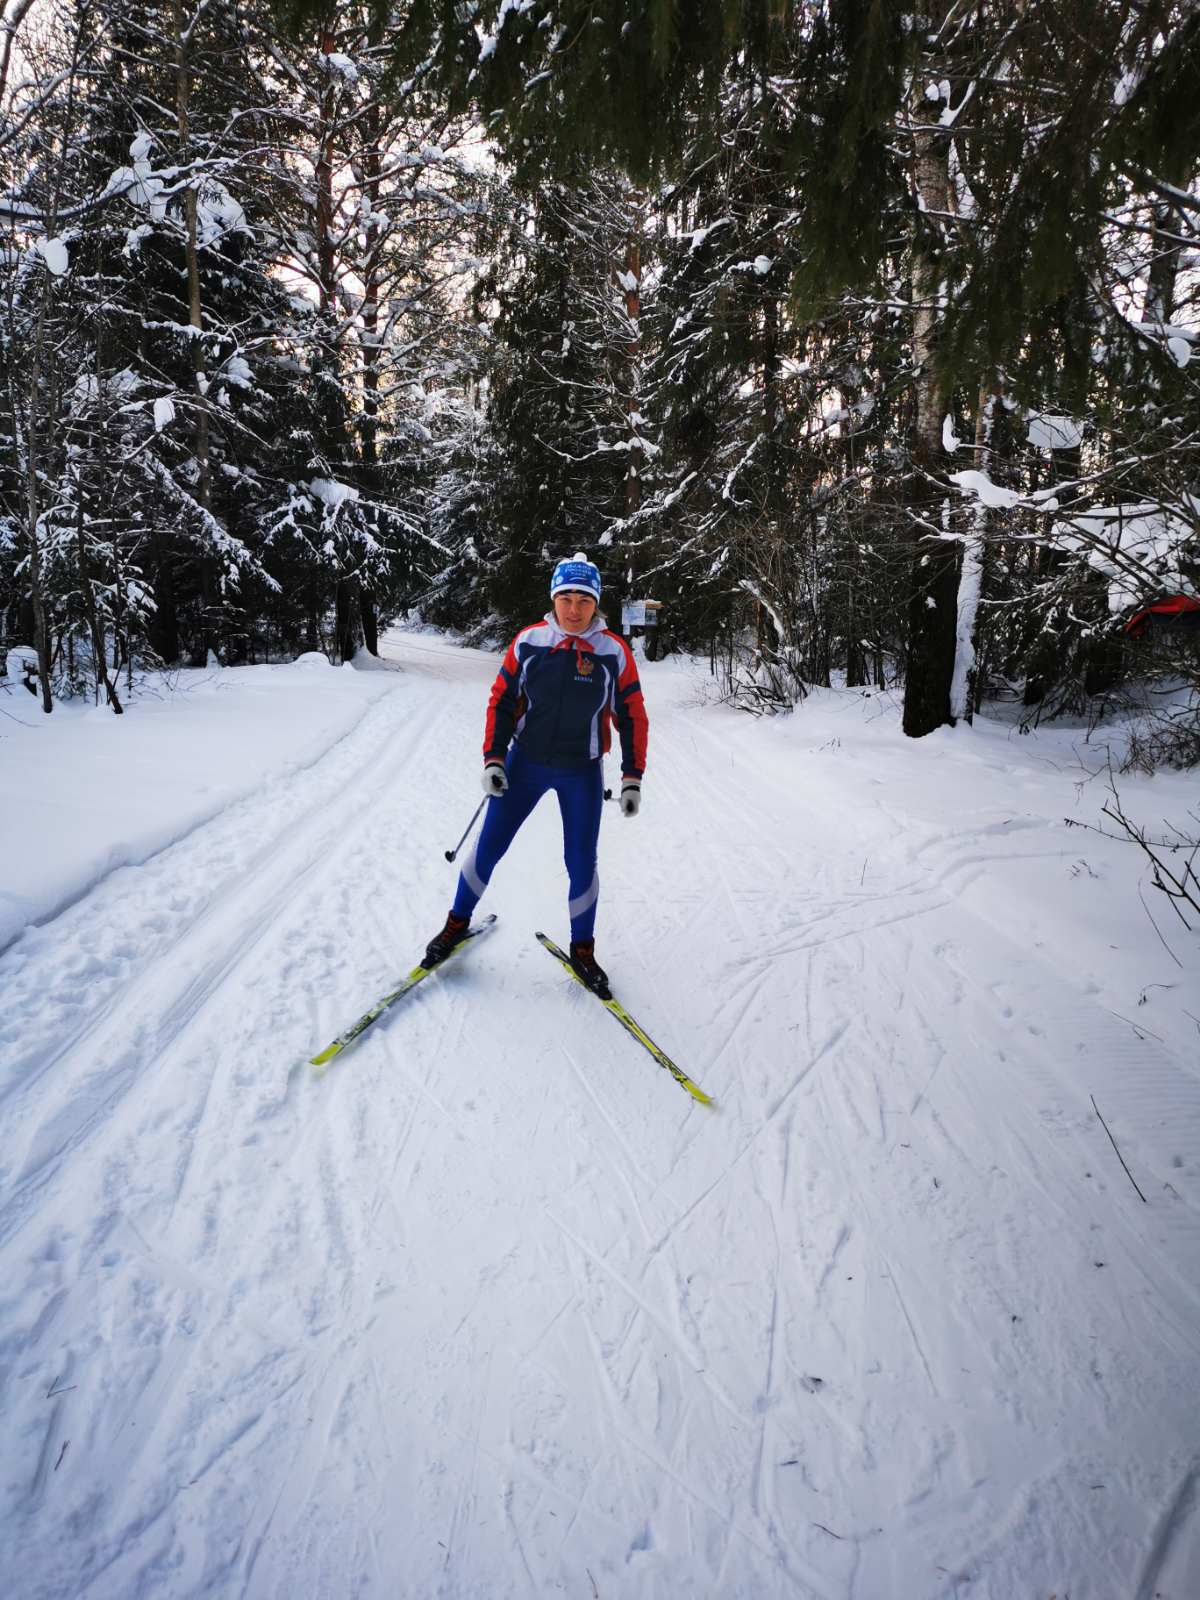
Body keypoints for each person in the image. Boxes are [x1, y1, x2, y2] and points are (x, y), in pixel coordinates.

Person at [424, 553, 648, 998]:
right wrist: (494, 758)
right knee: (488, 847)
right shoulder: (529, 642)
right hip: (524, 764)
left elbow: (632, 714)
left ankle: (582, 950)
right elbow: (501, 701)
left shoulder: (612, 652)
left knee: (581, 862)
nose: (574, 609)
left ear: (596, 604)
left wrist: (632, 777)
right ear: (553, 599)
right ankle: (455, 924)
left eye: (584, 600)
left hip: (581, 771)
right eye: (565, 598)